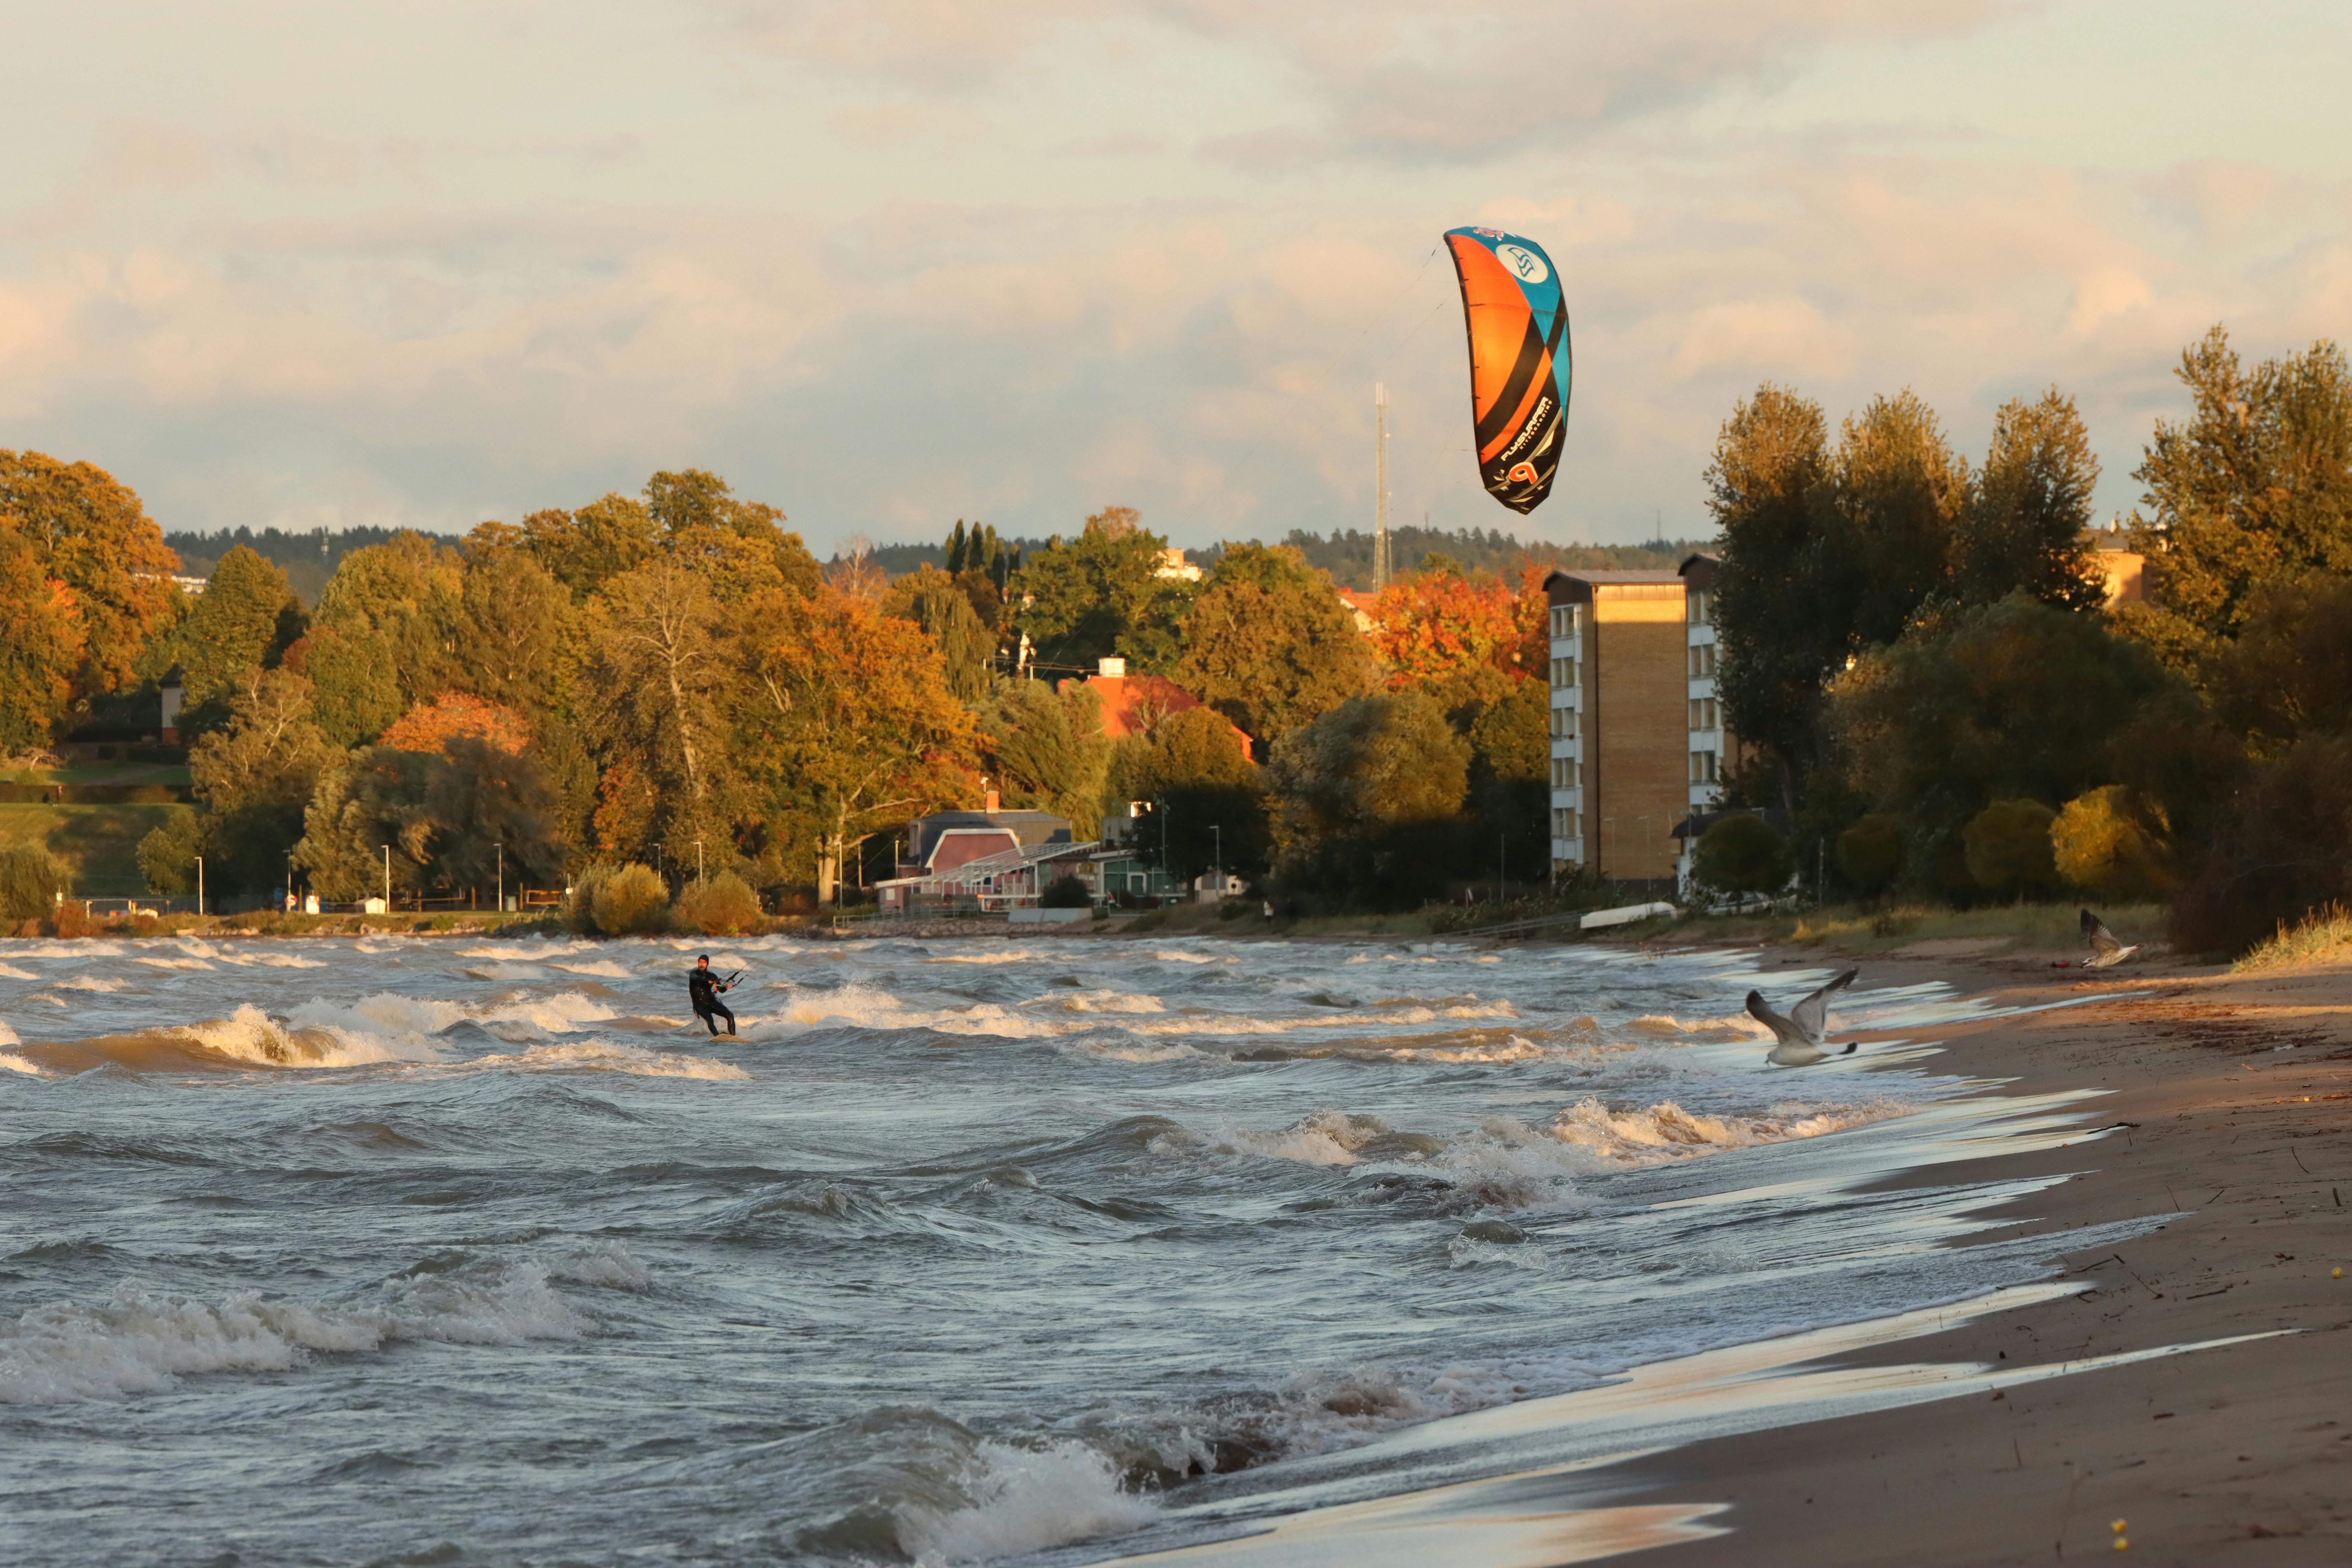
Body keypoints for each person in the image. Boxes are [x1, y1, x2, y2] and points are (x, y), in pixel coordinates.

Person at [687, 954, 737, 1037]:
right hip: (699, 1004)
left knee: (730, 1016)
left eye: (704, 962)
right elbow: (697, 979)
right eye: (700, 962)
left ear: (707, 964)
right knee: (710, 1020)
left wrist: (727, 987)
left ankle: (733, 1037)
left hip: (711, 1002)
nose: (702, 964)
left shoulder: (713, 976)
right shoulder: (694, 974)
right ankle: (718, 1037)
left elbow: (721, 990)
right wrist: (708, 982)